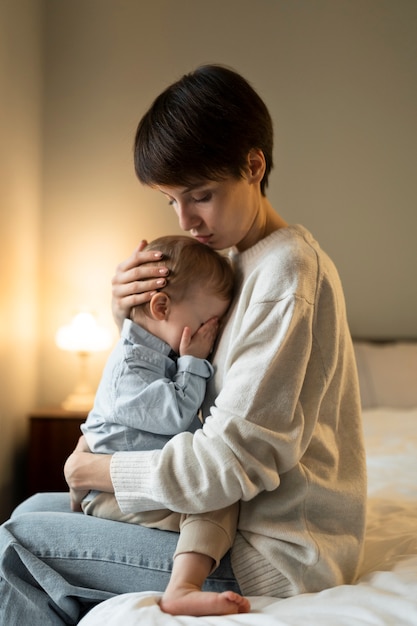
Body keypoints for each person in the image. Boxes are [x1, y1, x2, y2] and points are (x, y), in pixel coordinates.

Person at [0, 64, 367, 625]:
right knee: (31, 509)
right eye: (171, 201)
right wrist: (129, 312)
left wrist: (97, 470)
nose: (187, 220)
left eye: (201, 195)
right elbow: (188, 379)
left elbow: (228, 463)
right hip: (227, 521)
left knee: (18, 539)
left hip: (269, 551)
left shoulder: (287, 276)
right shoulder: (235, 265)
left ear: (254, 165)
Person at [76, 234, 248, 615]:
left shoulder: (153, 354)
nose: (210, 335)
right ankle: (182, 588)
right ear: (160, 306)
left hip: (133, 484)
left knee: (213, 496)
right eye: (204, 323)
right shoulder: (129, 367)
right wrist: (193, 362)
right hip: (113, 492)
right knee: (211, 500)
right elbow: (174, 416)